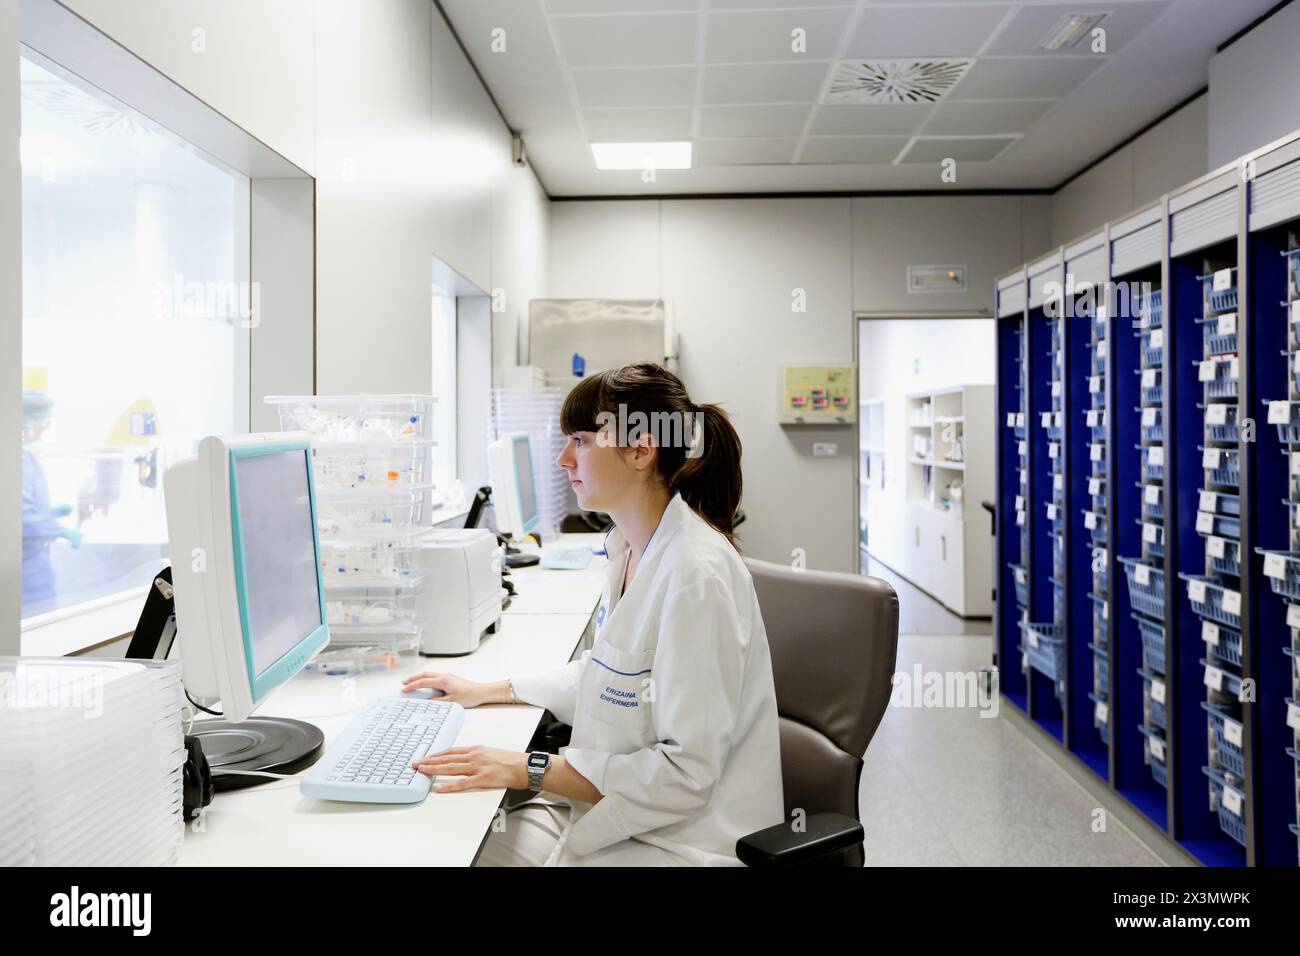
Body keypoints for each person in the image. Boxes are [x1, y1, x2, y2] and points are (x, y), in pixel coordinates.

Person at [401, 363, 784, 865]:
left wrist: (531, 768)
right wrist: (491, 691)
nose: (563, 459)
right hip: (622, 812)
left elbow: (686, 775)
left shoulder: (696, 577)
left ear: (641, 450)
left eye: (580, 440)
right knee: (460, 840)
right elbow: (609, 676)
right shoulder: (630, 547)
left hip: (686, 839)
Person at [21, 388, 81, 609]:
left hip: (30, 563)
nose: (45, 426)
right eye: (43, 420)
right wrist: (61, 531)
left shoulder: (24, 456)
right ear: (29, 421)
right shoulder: (18, 458)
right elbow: (21, 520)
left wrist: (49, 513)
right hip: (26, 570)